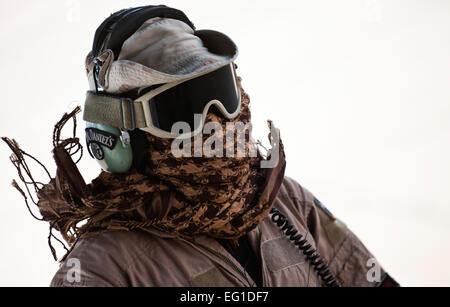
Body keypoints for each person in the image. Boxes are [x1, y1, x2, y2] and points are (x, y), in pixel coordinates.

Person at [2, 5, 398, 287]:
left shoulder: (286, 201)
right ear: (121, 137)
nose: (214, 119)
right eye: (179, 107)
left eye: (219, 91)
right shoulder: (102, 269)